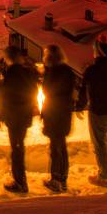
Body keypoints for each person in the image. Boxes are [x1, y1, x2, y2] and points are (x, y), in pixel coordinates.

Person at [76, 35, 107, 187]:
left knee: (100, 143)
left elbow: (84, 90)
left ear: (97, 51)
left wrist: (79, 106)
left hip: (98, 110)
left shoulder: (92, 70)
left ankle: (104, 176)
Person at [0, 46, 39, 193]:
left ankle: (20, 182)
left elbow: (6, 95)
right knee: (19, 147)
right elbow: (33, 91)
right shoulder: (27, 73)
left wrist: (3, 113)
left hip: (14, 116)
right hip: (24, 115)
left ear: (9, 58)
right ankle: (20, 180)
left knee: (16, 149)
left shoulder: (12, 73)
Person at [40, 44, 77, 193]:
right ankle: (62, 178)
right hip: (64, 112)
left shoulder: (53, 73)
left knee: (56, 147)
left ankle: (56, 179)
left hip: (55, 114)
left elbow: (49, 92)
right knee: (61, 146)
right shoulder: (67, 71)